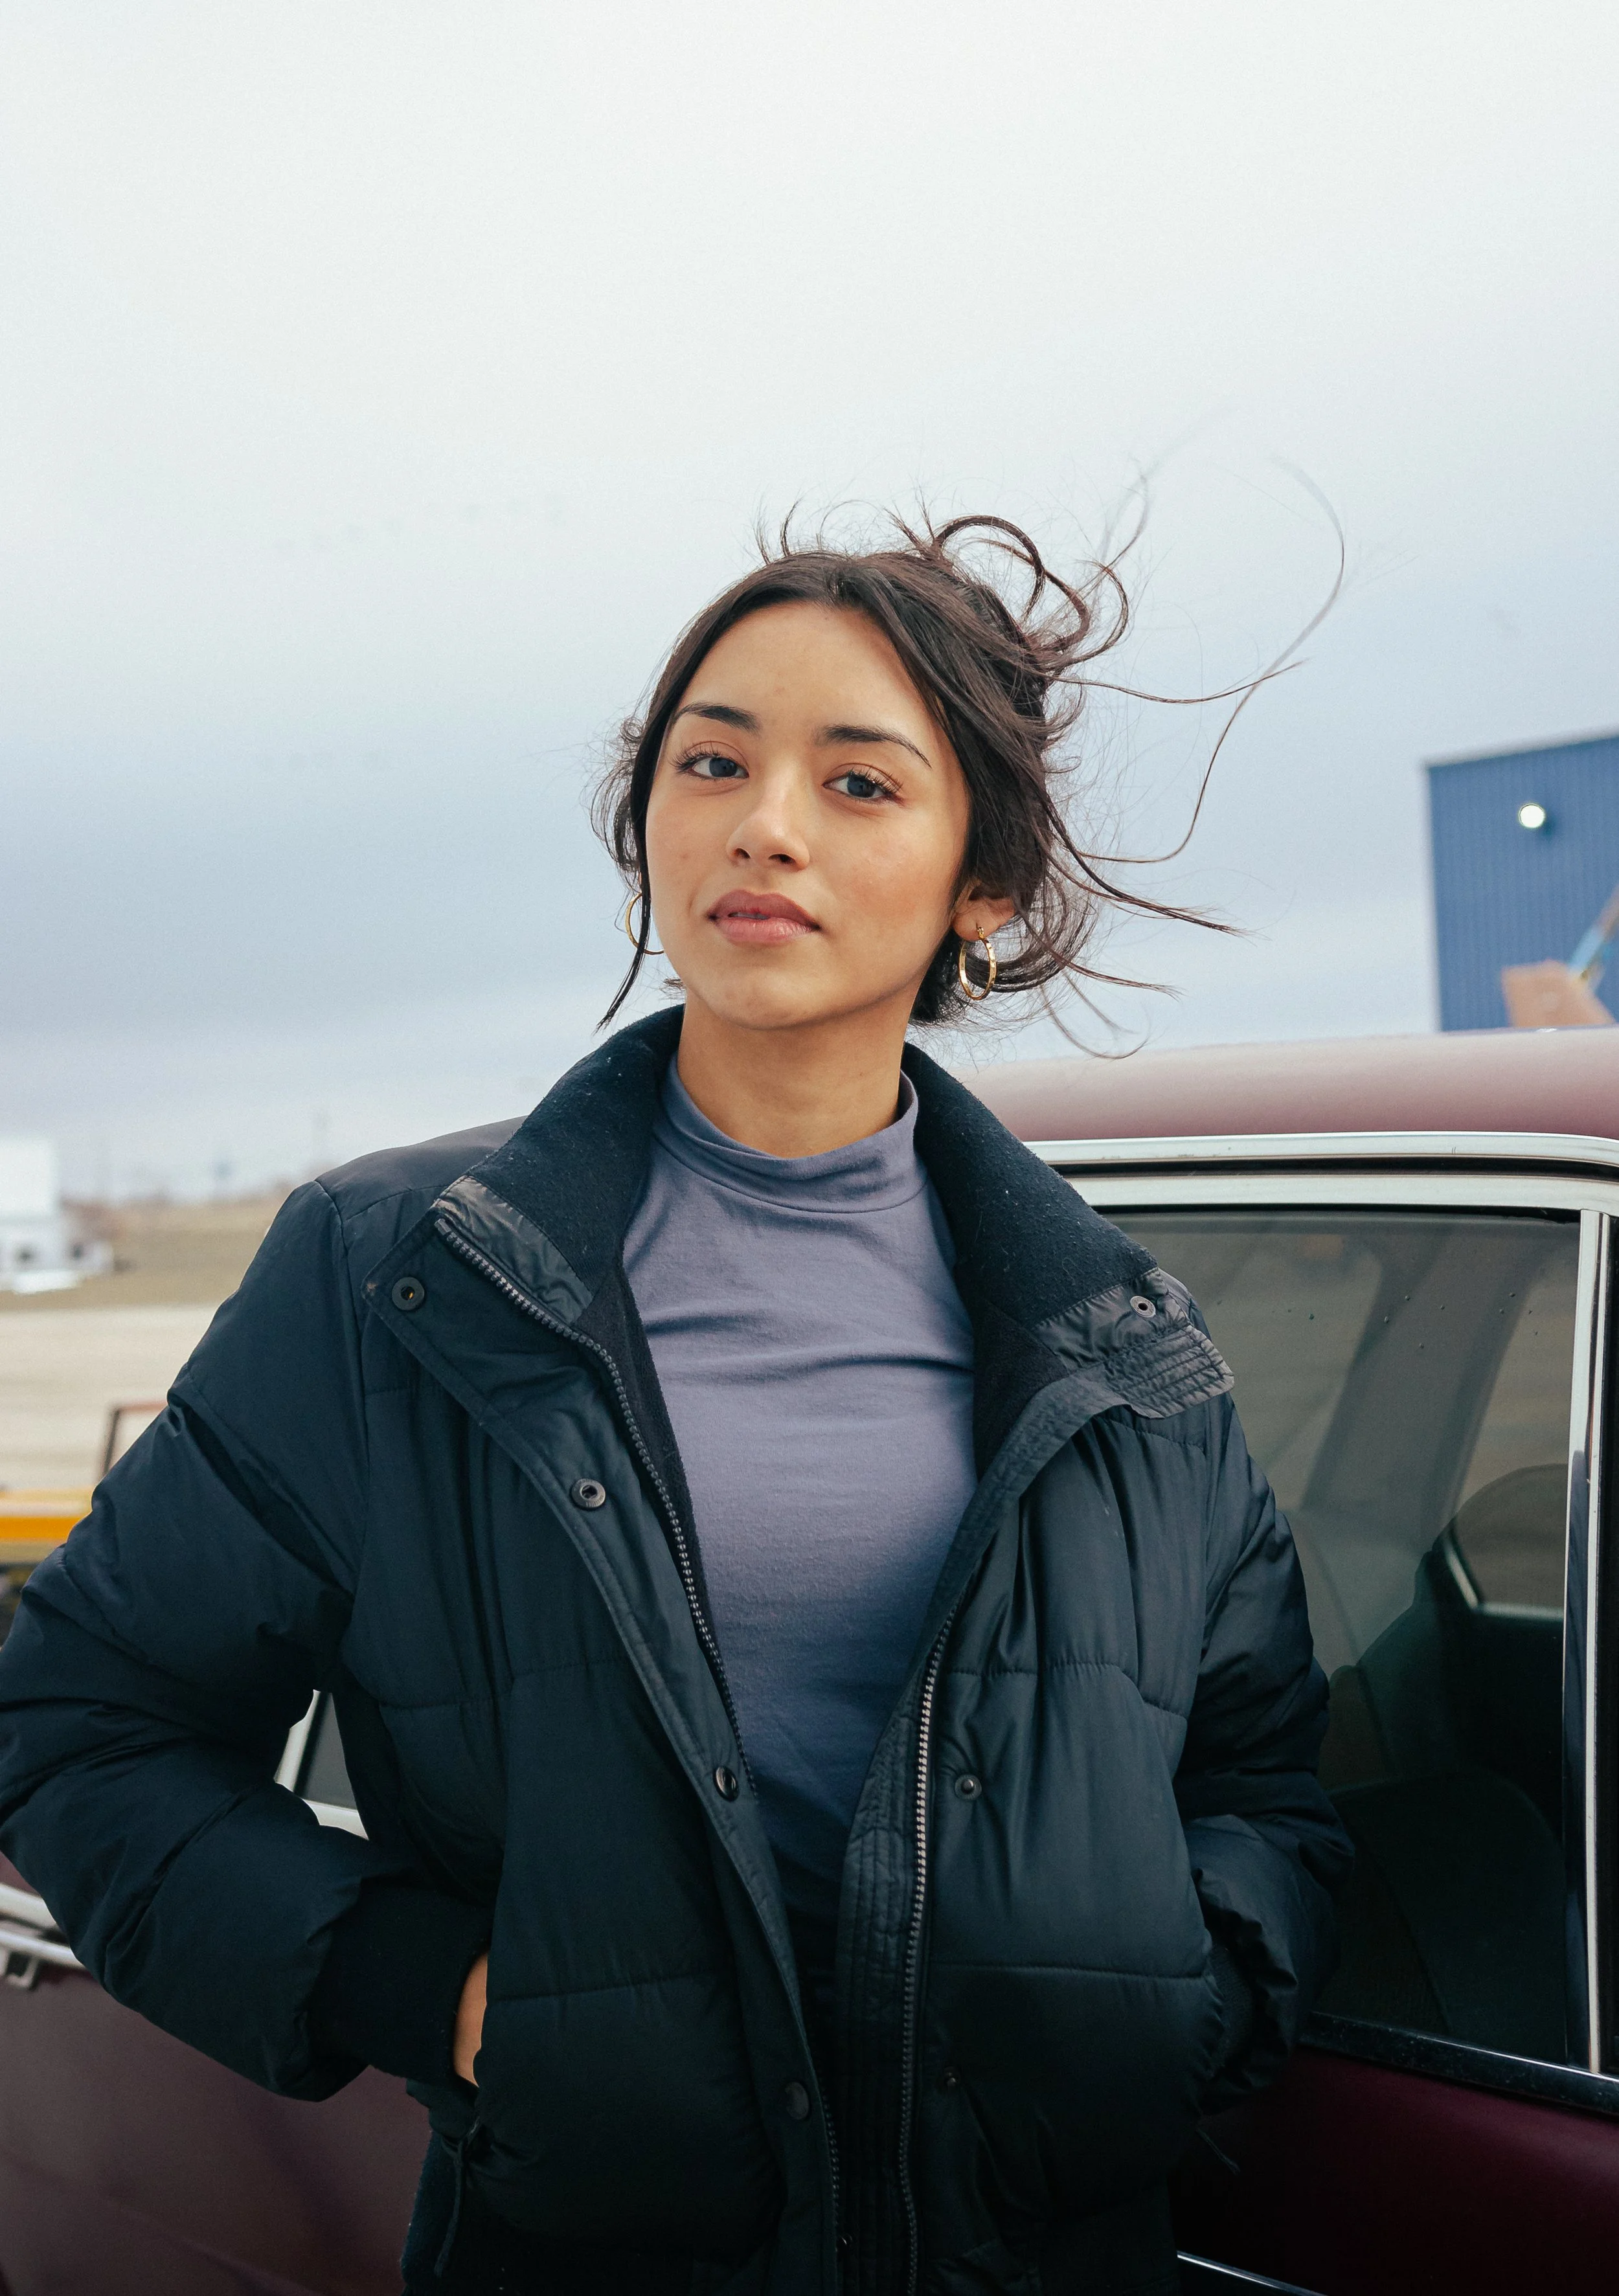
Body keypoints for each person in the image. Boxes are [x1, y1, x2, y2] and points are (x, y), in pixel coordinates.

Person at [0, 517, 1350, 2296]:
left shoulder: (1112, 1339)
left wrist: (1179, 1994)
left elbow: (1262, 1776)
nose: (760, 822)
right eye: (711, 760)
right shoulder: (402, 1281)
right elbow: (85, 1721)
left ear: (985, 887)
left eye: (858, 783)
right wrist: (434, 1993)